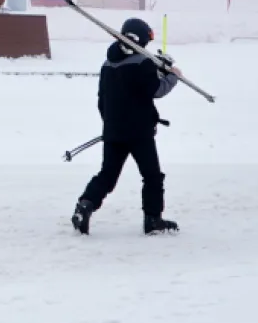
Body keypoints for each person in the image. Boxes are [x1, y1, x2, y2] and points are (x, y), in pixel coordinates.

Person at [71, 17, 181, 236]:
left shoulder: (107, 64)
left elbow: (102, 100)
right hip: (140, 132)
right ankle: (153, 219)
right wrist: (172, 76)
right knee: (152, 176)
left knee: (108, 175)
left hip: (114, 131)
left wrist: (110, 124)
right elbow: (155, 90)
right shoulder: (143, 63)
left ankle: (85, 205)